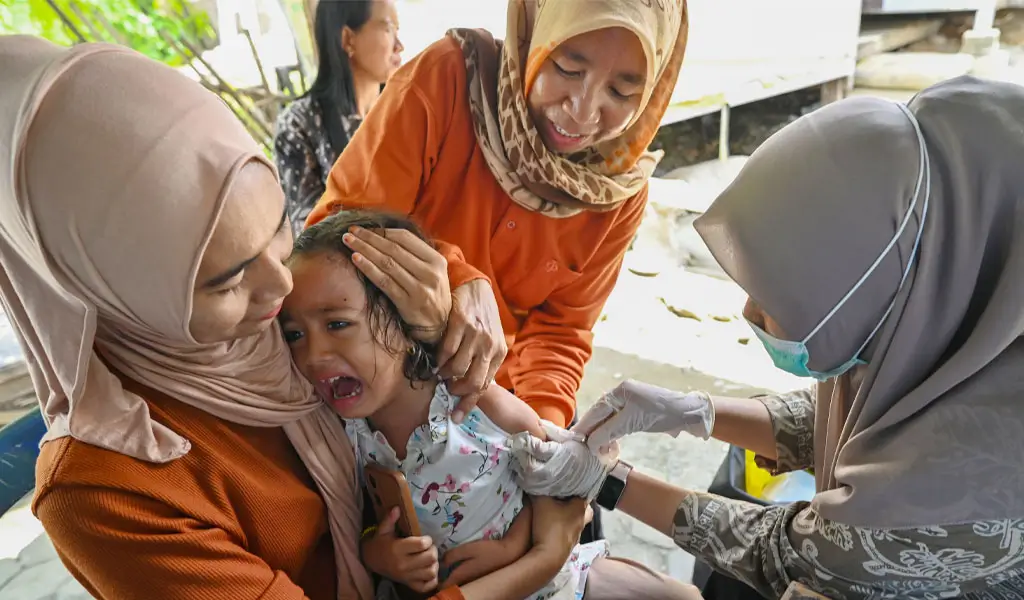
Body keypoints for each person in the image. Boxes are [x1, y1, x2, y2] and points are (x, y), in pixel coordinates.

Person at [0, 36, 583, 600]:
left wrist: (460, 280)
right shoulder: (110, 490)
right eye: (227, 279)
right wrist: (539, 561)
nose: (279, 288)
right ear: (108, 289)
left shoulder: (274, 316)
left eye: (278, 225)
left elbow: (348, 257)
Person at [507, 76, 1024, 599]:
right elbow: (843, 422)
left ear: (868, 296)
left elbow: (783, 554)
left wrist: (608, 480)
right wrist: (695, 411)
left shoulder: (938, 502)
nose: (750, 312)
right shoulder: (952, 317)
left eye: (777, 300)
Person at [303, 0, 689, 430]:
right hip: (373, 392)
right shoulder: (447, 80)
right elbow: (339, 231)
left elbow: (560, 334)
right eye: (566, 67)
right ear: (534, 38)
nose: (582, 110)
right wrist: (456, 277)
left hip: (492, 406)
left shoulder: (617, 193)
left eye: (621, 92)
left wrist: (543, 433)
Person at [280, 209, 702, 599]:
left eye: (338, 324)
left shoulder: (468, 398)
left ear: (407, 320)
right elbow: (361, 524)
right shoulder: (343, 436)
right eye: (294, 334)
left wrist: (513, 545)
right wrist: (381, 555)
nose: (313, 355)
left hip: (555, 583)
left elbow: (553, 474)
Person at [274, 0, 403, 232]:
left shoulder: (403, 113)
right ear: (347, 38)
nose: (399, 46)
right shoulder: (300, 123)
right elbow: (308, 232)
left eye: (398, 30)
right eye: (387, 28)